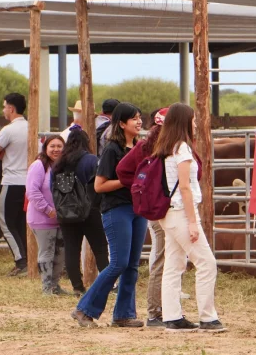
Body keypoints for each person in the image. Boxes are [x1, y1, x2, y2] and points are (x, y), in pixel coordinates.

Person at [71, 102, 147, 328]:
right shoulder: (112, 150)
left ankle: (123, 314)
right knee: (119, 263)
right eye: (134, 118)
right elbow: (99, 186)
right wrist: (127, 181)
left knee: (132, 264)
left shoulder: (140, 148)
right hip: (117, 209)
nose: (139, 121)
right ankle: (84, 309)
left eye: (140, 117)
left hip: (137, 209)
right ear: (121, 123)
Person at [153, 103, 226, 333]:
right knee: (206, 263)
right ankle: (208, 317)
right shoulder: (182, 149)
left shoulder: (167, 147)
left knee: (174, 265)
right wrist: (193, 222)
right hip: (181, 212)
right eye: (193, 120)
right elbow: (184, 188)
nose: (195, 123)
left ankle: (172, 317)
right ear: (185, 121)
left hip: (170, 213)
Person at [116, 107, 170, 328]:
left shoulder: (146, 146)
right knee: (162, 258)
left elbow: (123, 170)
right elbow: (123, 171)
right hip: (161, 209)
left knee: (167, 258)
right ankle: (155, 311)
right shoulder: (150, 148)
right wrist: (144, 187)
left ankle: (163, 309)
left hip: (161, 207)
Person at [53, 127, 109, 297]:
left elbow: (52, 188)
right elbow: (98, 185)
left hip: (65, 211)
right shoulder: (91, 160)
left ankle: (77, 287)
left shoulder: (59, 163)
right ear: (86, 142)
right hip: (89, 210)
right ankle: (106, 285)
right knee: (100, 248)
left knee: (71, 249)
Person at [0, 93, 29, 276]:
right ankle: (28, 259)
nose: (3, 110)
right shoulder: (31, 126)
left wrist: (1, 152)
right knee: (21, 222)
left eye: (4, 106)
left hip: (11, 181)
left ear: (11, 108)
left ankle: (21, 261)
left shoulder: (8, 130)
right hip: (28, 183)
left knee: (5, 221)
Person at [25, 134, 67, 295]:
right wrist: (48, 209)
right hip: (42, 219)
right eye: (52, 146)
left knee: (60, 254)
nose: (56, 149)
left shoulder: (63, 166)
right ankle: (46, 288)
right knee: (47, 253)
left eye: (59, 146)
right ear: (46, 148)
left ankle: (55, 286)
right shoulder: (38, 166)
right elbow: (32, 191)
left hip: (61, 219)